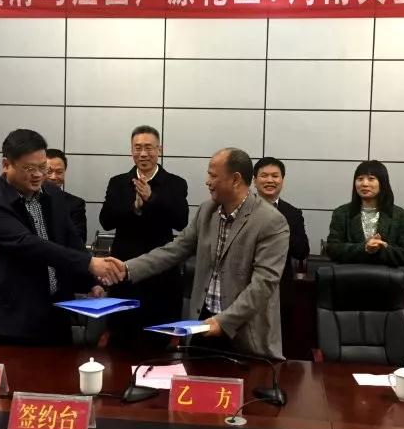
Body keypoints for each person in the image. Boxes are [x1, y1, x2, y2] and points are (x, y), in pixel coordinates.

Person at [109, 148, 289, 359]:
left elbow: (263, 284)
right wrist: (127, 268)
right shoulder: (207, 211)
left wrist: (224, 321)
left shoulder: (271, 221)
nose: (207, 181)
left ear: (235, 179)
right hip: (202, 326)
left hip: (244, 333)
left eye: (213, 176)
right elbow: (174, 250)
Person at [0, 129, 123, 345]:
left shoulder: (52, 194)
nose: (38, 175)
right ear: (6, 165)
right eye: (29, 168)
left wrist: (90, 280)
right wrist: (89, 263)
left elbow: (70, 238)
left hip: (56, 313)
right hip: (12, 318)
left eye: (42, 167)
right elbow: (28, 245)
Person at [99, 125, 189, 347]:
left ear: (159, 149)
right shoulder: (119, 182)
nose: (143, 154)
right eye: (137, 148)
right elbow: (106, 220)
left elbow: (181, 221)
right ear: (131, 150)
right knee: (121, 338)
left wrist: (152, 200)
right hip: (124, 271)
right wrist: (134, 208)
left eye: (148, 148)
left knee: (159, 340)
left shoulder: (175, 183)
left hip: (161, 273)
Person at [253, 157, 309, 345]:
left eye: (275, 176)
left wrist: (279, 232)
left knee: (278, 343)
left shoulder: (293, 213)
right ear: (254, 181)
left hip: (280, 289)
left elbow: (302, 251)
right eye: (264, 176)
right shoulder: (242, 209)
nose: (270, 180)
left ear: (282, 180)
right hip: (245, 285)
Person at [326, 160, 404, 266]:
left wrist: (383, 248)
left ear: (382, 183)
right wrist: (364, 248)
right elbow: (332, 249)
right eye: (360, 179)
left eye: (371, 179)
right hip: (350, 273)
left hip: (385, 274)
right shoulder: (341, 213)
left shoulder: (399, 215)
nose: (364, 184)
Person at [46, 148, 87, 245]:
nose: (54, 177)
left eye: (59, 172)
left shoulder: (75, 204)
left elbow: (79, 240)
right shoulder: (25, 199)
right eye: (49, 171)